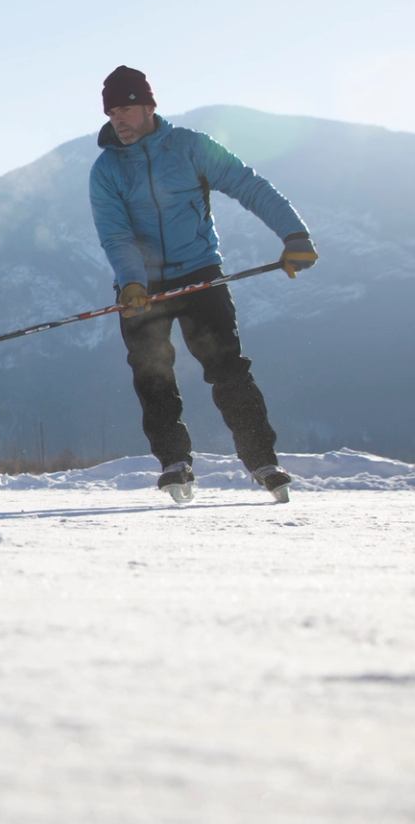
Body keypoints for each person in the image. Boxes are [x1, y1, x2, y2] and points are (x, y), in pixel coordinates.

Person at [89, 65, 317, 503]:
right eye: (112, 111)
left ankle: (262, 460)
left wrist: (294, 235)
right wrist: (133, 283)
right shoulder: (106, 170)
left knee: (227, 368)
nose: (119, 119)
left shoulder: (191, 148)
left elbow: (249, 185)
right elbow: (115, 234)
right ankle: (174, 462)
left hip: (199, 274)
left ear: (149, 107)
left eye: (127, 108)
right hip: (142, 287)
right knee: (152, 375)